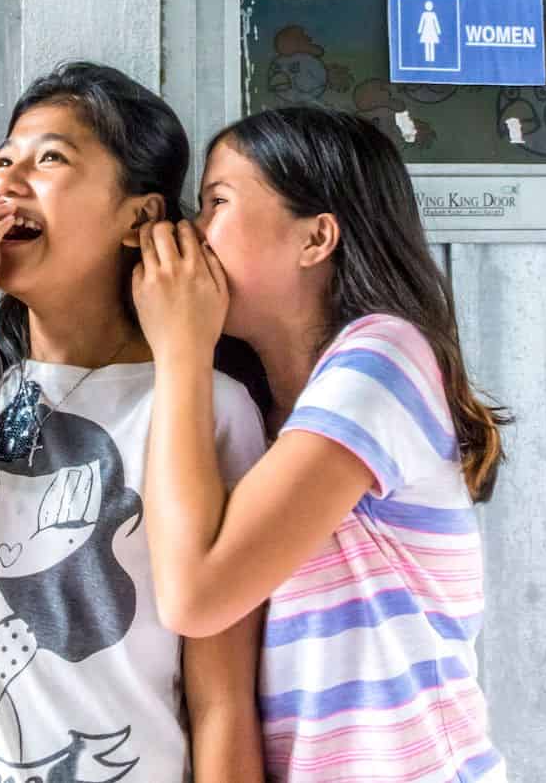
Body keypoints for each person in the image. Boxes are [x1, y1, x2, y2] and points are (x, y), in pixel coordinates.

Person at [0, 62, 268, 781]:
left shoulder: (205, 403)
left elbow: (221, 696)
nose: (6, 183)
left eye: (49, 160)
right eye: (3, 160)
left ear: (140, 219)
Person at [133, 106, 509, 782]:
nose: (191, 233)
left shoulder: (384, 359)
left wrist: (180, 347)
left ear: (316, 237)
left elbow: (195, 594)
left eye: (217, 202)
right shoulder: (254, 415)